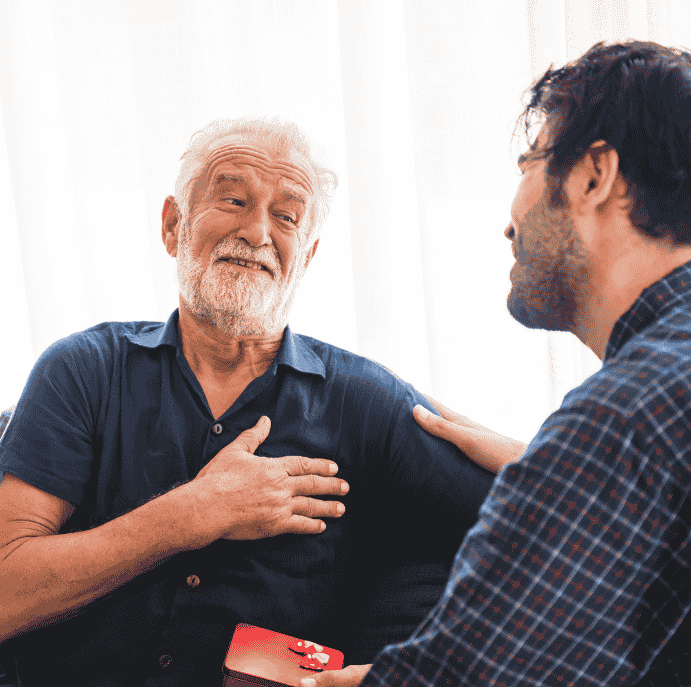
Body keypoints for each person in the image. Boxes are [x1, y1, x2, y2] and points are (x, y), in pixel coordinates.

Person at [304, 40, 691, 686]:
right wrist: (542, 465)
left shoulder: (626, 420)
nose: (511, 222)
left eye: (530, 162)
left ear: (594, 176)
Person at [0, 118, 496, 687]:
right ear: (173, 226)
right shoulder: (83, 371)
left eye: (286, 216)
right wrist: (196, 512)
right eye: (233, 200)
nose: (258, 232)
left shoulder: (366, 403)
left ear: (306, 255)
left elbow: (557, 519)